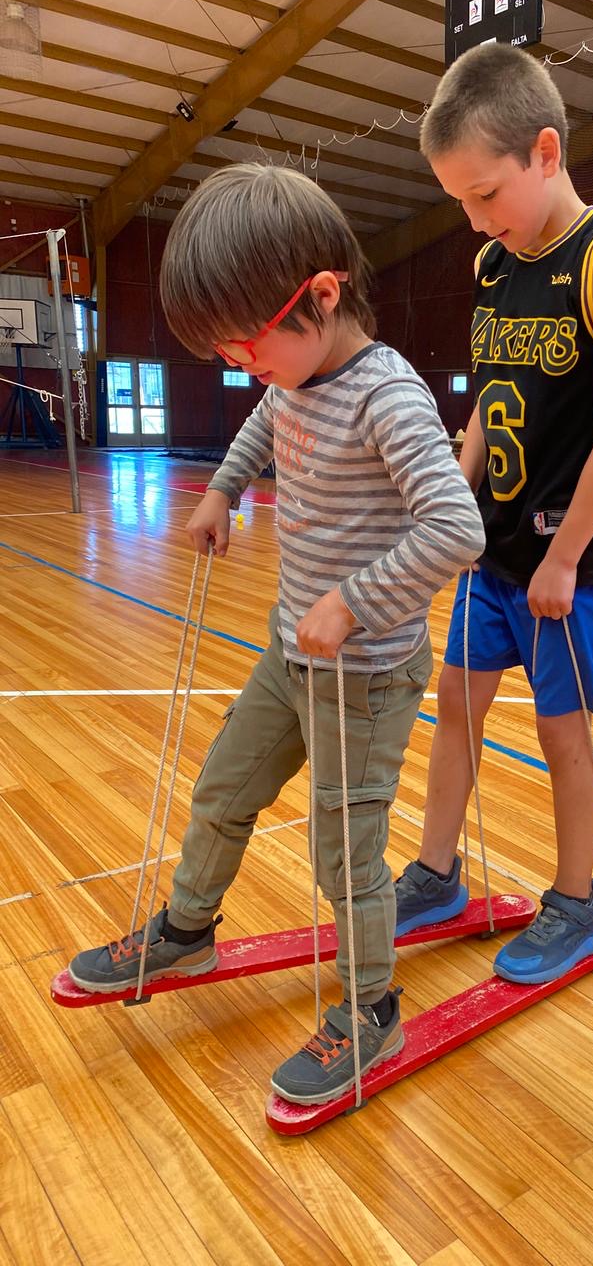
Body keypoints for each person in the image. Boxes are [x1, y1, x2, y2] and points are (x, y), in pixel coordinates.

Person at [67, 163, 485, 1104]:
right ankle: (187, 931)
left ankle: (371, 1009)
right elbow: (265, 421)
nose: (240, 365)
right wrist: (221, 490)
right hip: (289, 657)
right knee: (223, 789)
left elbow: (456, 529)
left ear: (323, 296)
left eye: (246, 346)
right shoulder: (292, 377)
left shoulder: (388, 398)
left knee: (345, 854)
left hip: (364, 676)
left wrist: (354, 602)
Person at [393, 42, 593, 984]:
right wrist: (450, 504)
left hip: (563, 563)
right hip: (491, 552)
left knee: (560, 732)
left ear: (545, 152)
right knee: (454, 707)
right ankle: (436, 874)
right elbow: (485, 406)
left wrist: (565, 557)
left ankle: (577, 900)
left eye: (484, 194)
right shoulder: (493, 264)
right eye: (459, 201)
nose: (474, 219)